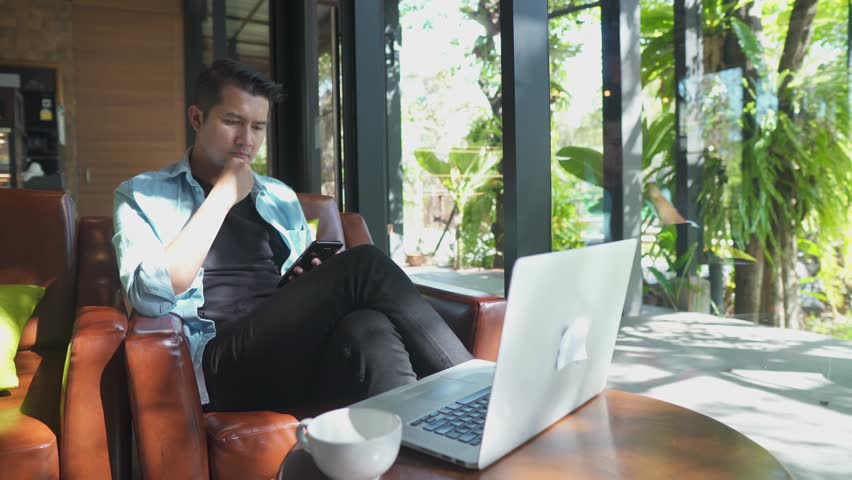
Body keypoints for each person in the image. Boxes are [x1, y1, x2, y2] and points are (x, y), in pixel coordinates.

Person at [113, 59, 472, 411]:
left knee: (368, 328)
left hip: (290, 351)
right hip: (220, 364)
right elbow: (149, 296)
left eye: (258, 127)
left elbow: (290, 301)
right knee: (365, 264)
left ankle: (417, 444)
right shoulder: (143, 194)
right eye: (232, 122)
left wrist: (305, 284)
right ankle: (473, 392)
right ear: (197, 118)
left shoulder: (278, 196)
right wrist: (222, 196)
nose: (246, 140)